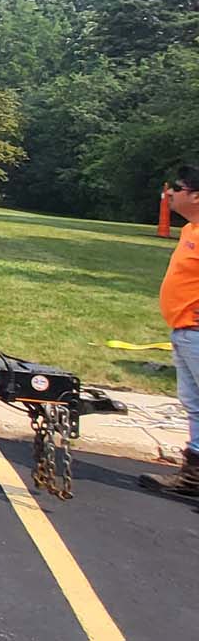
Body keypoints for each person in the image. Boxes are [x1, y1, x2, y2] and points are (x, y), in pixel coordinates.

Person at [140, 164, 199, 497]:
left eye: (176, 188)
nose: (169, 194)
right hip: (184, 331)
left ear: (196, 195)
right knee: (194, 405)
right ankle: (193, 477)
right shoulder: (191, 230)